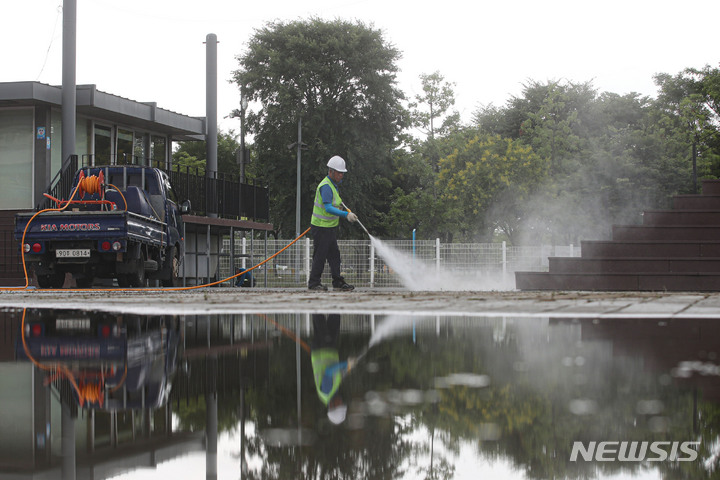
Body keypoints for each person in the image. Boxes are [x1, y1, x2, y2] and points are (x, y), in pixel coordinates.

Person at [308, 155, 358, 291]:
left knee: (334, 256)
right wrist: (346, 214)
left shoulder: (333, 186)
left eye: (342, 173)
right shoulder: (326, 186)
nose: (341, 175)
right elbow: (328, 208)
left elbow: (335, 204)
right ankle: (314, 283)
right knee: (320, 255)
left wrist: (344, 210)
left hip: (329, 228)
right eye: (339, 172)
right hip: (321, 227)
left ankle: (338, 281)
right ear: (331, 171)